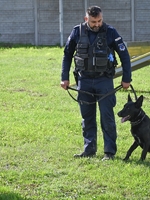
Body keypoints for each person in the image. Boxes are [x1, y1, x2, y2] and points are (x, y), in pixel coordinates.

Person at [60, 6, 131, 161]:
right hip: (84, 80)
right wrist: (64, 77)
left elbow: (124, 55)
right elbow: (67, 55)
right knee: (87, 117)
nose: (97, 24)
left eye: (99, 20)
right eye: (93, 21)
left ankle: (109, 152)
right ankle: (89, 149)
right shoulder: (77, 32)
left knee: (107, 117)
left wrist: (127, 78)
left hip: (104, 80)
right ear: (86, 19)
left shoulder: (111, 32)